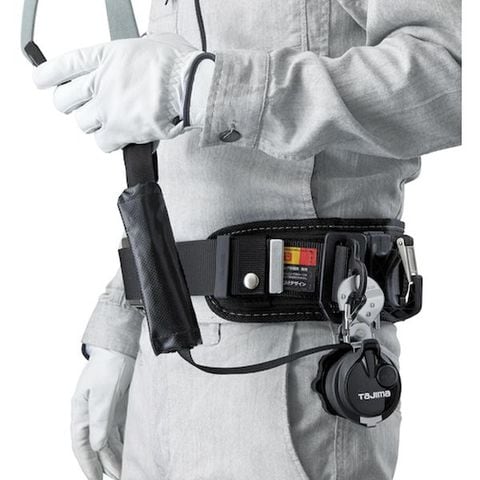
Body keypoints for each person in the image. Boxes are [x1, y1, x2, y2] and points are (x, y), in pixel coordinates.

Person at [33, 1, 461, 479]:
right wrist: (124, 322)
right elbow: (191, 179)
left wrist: (205, 86)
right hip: (161, 376)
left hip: (290, 378)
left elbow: (453, 73)